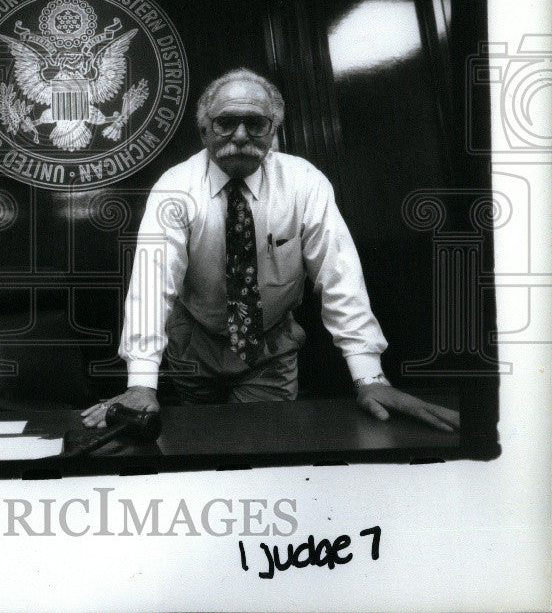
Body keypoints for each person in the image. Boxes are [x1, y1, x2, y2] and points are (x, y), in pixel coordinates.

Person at [82, 68, 459, 432]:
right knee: (199, 438)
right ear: (203, 130)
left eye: (256, 123)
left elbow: (340, 275)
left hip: (270, 345)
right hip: (193, 341)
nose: (241, 135)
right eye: (225, 122)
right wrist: (142, 384)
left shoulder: (304, 183)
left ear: (274, 131)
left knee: (266, 440)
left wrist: (369, 377)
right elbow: (152, 284)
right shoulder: (174, 188)